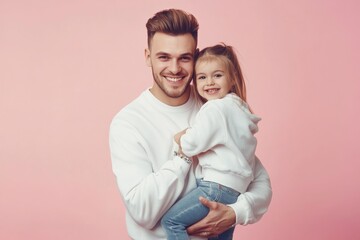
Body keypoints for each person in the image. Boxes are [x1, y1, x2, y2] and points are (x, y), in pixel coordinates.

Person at [109, 9, 272, 240]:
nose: (174, 69)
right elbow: (142, 212)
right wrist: (183, 157)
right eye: (164, 57)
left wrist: (235, 212)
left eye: (184, 58)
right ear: (148, 57)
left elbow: (258, 180)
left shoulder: (216, 106)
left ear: (195, 57)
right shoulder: (128, 123)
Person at [161, 43, 261, 240]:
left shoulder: (215, 109)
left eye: (217, 75)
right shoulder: (241, 110)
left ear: (232, 78)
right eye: (202, 77)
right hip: (236, 192)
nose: (210, 83)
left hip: (215, 187)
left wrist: (182, 137)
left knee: (171, 222)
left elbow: (192, 145)